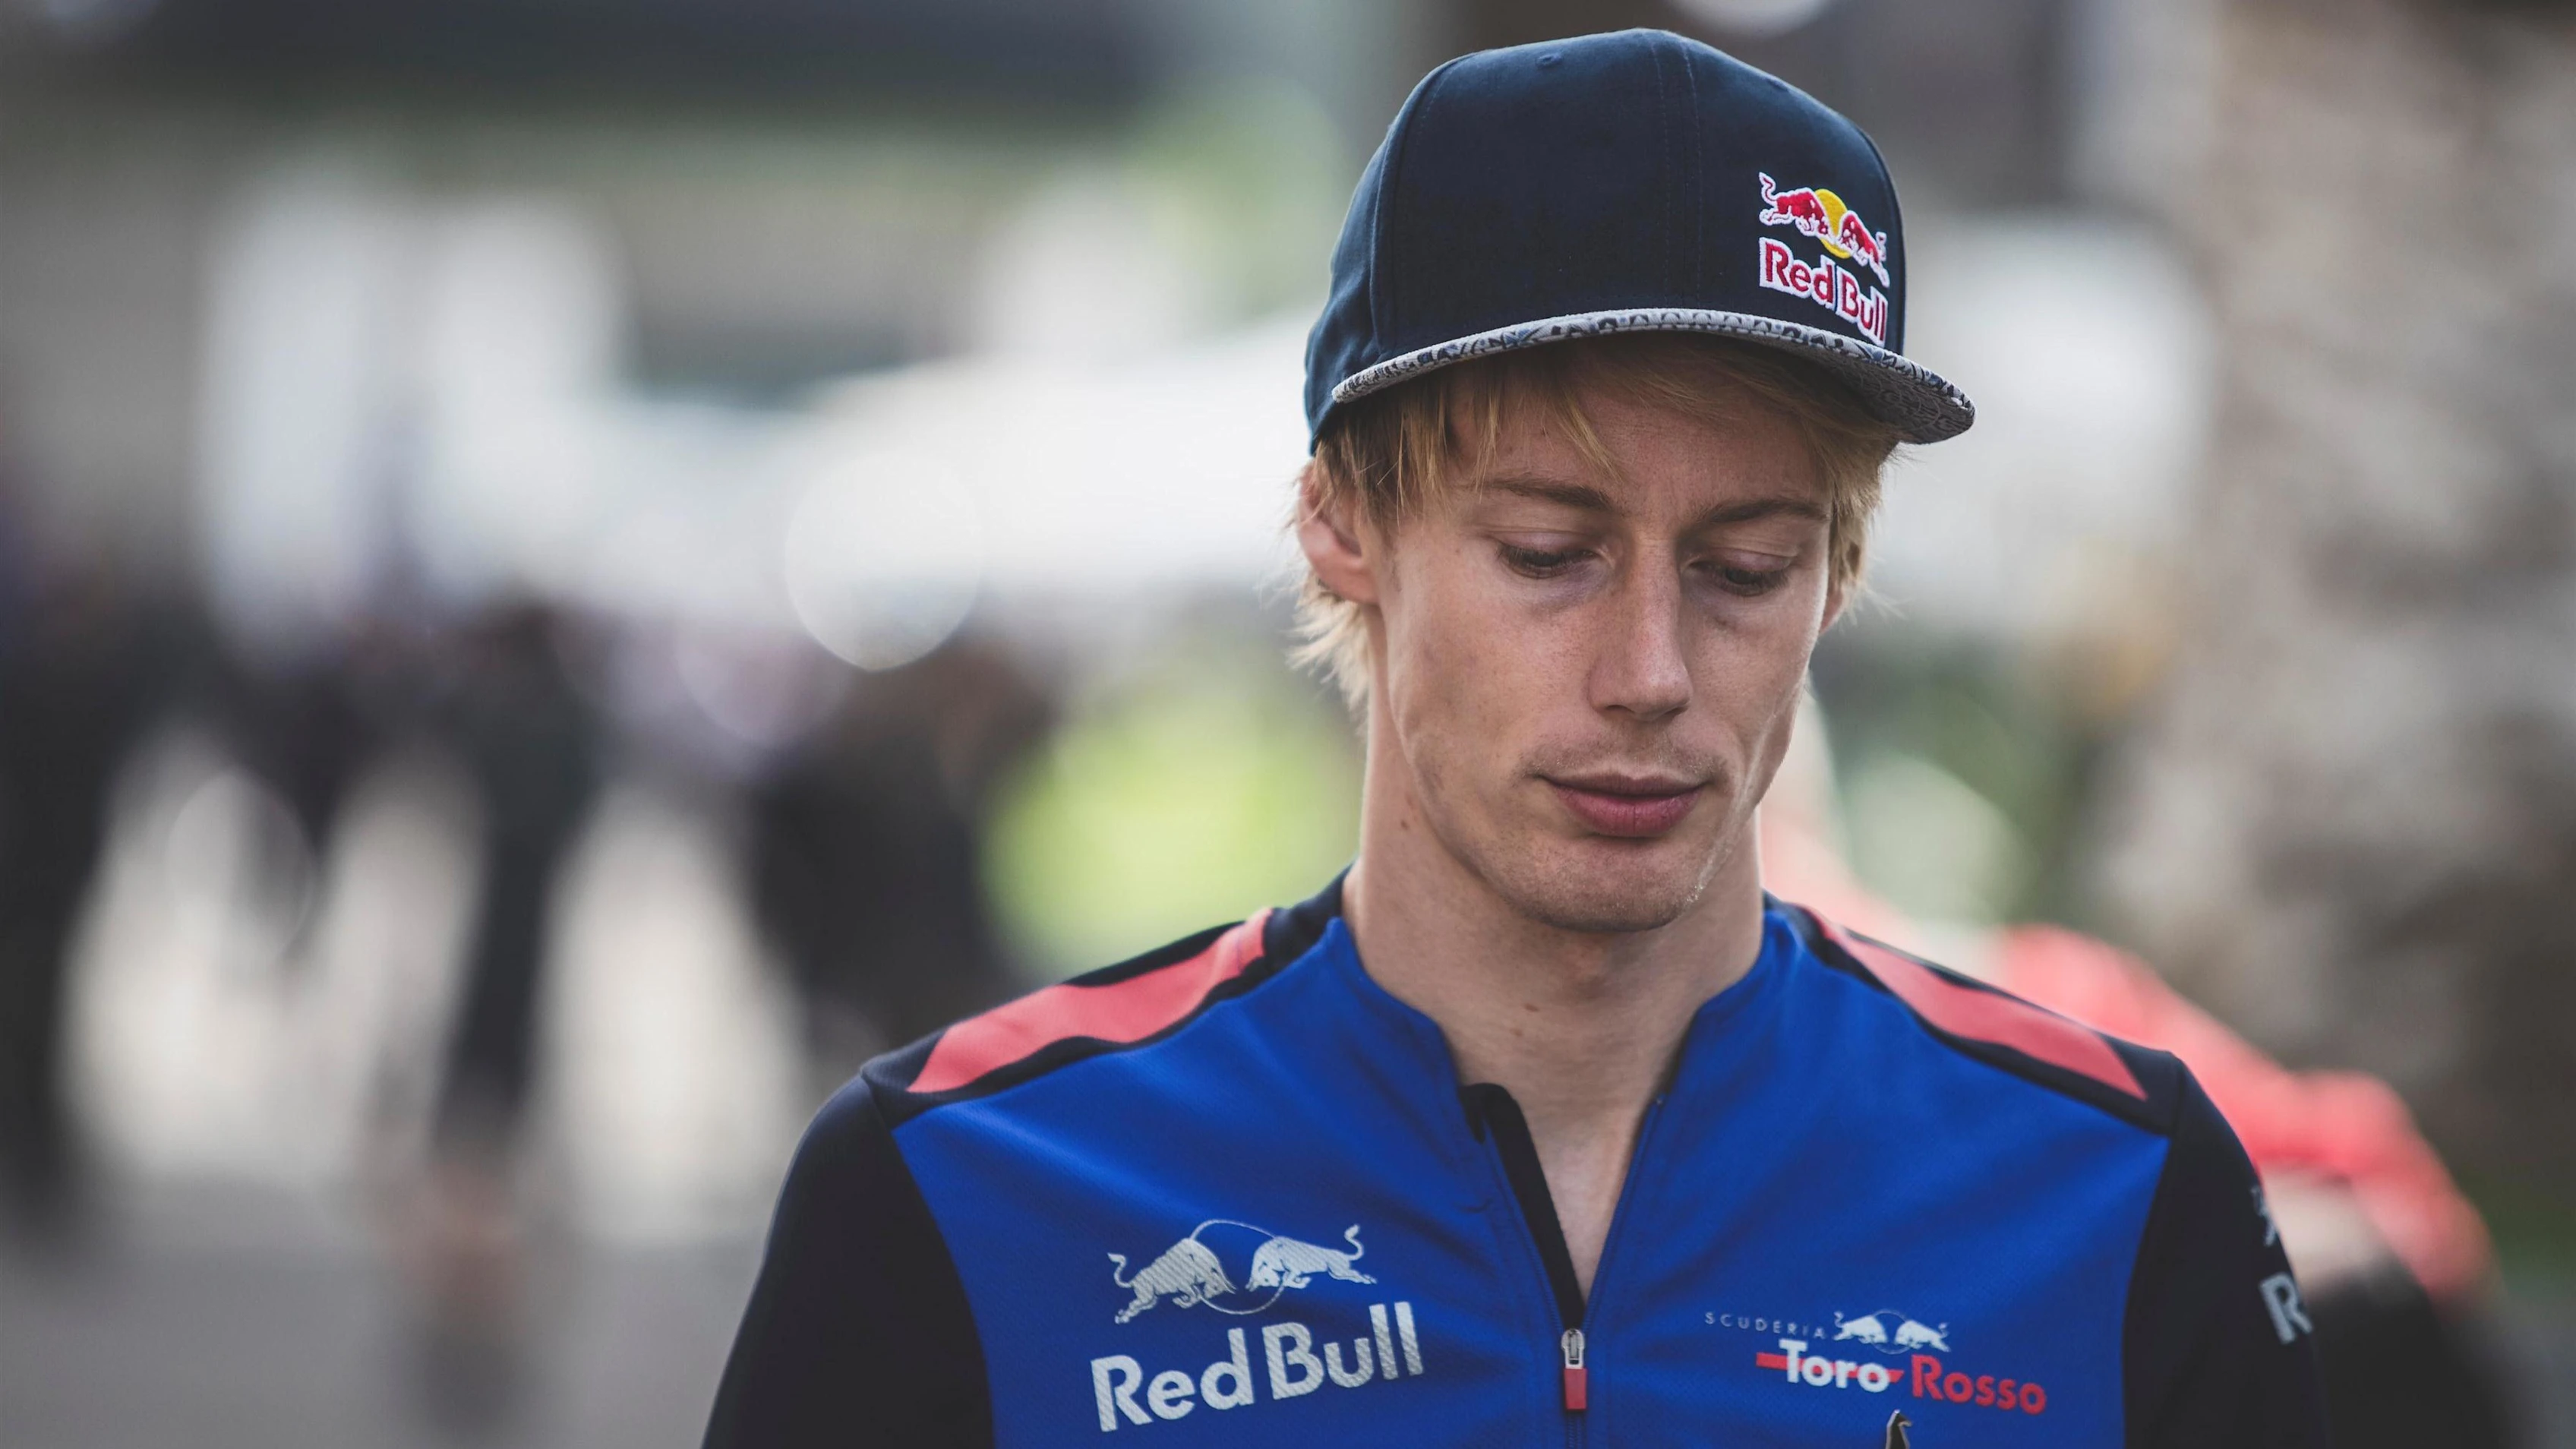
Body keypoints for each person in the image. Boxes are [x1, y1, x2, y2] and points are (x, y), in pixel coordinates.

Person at [704, 30, 2328, 1447]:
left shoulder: (2113, 1188)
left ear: (1838, 576)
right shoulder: (964, 1186)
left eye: (1744, 568)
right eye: (1548, 554)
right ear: (1340, 525)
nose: (1647, 671)